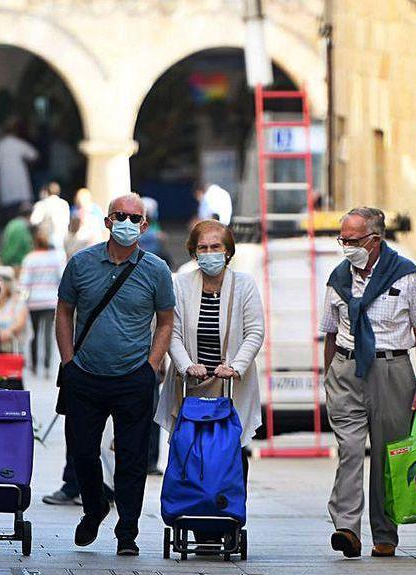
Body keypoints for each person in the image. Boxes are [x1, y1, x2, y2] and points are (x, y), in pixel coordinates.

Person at [55, 193, 175, 556]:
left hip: (133, 378)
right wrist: (68, 362)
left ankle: (128, 531)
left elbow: (166, 321)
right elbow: (64, 312)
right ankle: (94, 509)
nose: (126, 222)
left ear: (144, 225)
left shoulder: (155, 269)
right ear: (107, 221)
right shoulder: (81, 263)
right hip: (85, 375)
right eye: (119, 215)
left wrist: (151, 365)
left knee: (132, 456)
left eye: (134, 217)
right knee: (83, 452)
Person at [321, 207, 416, 559]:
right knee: (350, 450)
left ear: (374, 240)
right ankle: (347, 528)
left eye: (352, 240)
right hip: (347, 368)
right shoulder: (338, 278)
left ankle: (385, 533)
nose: (346, 246)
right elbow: (328, 332)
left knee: (388, 454)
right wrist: (329, 376)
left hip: (392, 368)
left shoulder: (407, 276)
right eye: (342, 239)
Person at [155, 220, 265, 544]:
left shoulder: (244, 285)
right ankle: (192, 515)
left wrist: (235, 366)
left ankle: (226, 516)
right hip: (191, 384)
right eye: (202, 247)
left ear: (228, 251)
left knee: (231, 451)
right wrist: (187, 365)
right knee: (189, 450)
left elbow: (254, 332)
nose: (209, 253)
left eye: (216, 247)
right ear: (193, 251)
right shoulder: (181, 284)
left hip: (230, 385)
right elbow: (170, 332)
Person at [20, 226, 67, 374]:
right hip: (50, 301)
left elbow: (24, 282)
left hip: (34, 301)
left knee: (34, 333)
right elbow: (62, 278)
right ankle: (47, 366)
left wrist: (21, 300)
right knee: (47, 333)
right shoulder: (55, 258)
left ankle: (34, 365)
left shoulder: (29, 258)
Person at [0, 118, 38, 228]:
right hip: (21, 186)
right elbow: (34, 155)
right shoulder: (19, 143)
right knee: (23, 215)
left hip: (6, 186)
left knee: (10, 217)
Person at [0, 266, 28, 355]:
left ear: (7, 285)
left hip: (12, 352)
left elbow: (20, 323)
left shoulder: (18, 303)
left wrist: (8, 332)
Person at [31, 181, 71, 254]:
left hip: (47, 242)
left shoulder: (42, 205)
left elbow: (34, 221)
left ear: (47, 192)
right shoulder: (64, 204)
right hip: (62, 241)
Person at [67, 187, 107, 257]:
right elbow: (71, 229)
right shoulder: (74, 210)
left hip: (92, 244)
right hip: (77, 245)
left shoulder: (95, 210)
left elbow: (101, 227)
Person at [0, 202, 34, 268]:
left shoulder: (11, 223)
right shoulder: (21, 227)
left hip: (8, 261)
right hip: (16, 264)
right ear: (29, 215)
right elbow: (17, 247)